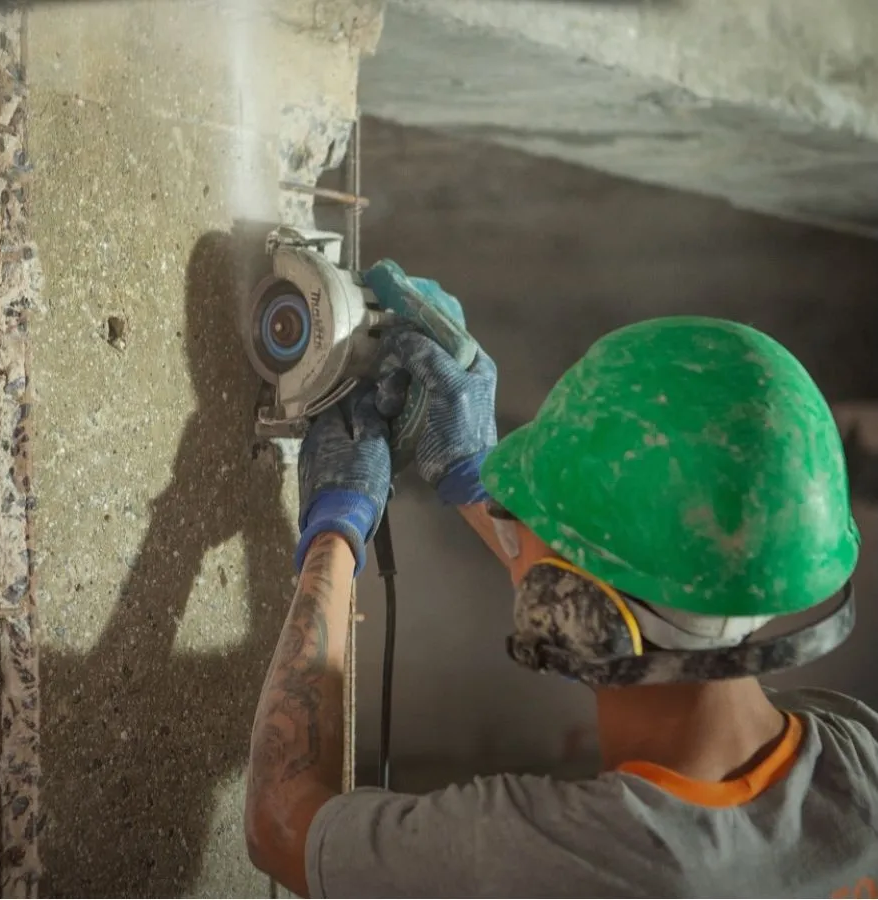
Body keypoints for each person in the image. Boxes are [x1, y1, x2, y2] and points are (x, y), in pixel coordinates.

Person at [243, 262, 878, 898]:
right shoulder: (858, 764)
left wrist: (337, 525)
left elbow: (281, 825)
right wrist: (469, 472)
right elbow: (647, 649)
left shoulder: (584, 858)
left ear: (569, 603)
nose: (510, 520)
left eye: (528, 520)